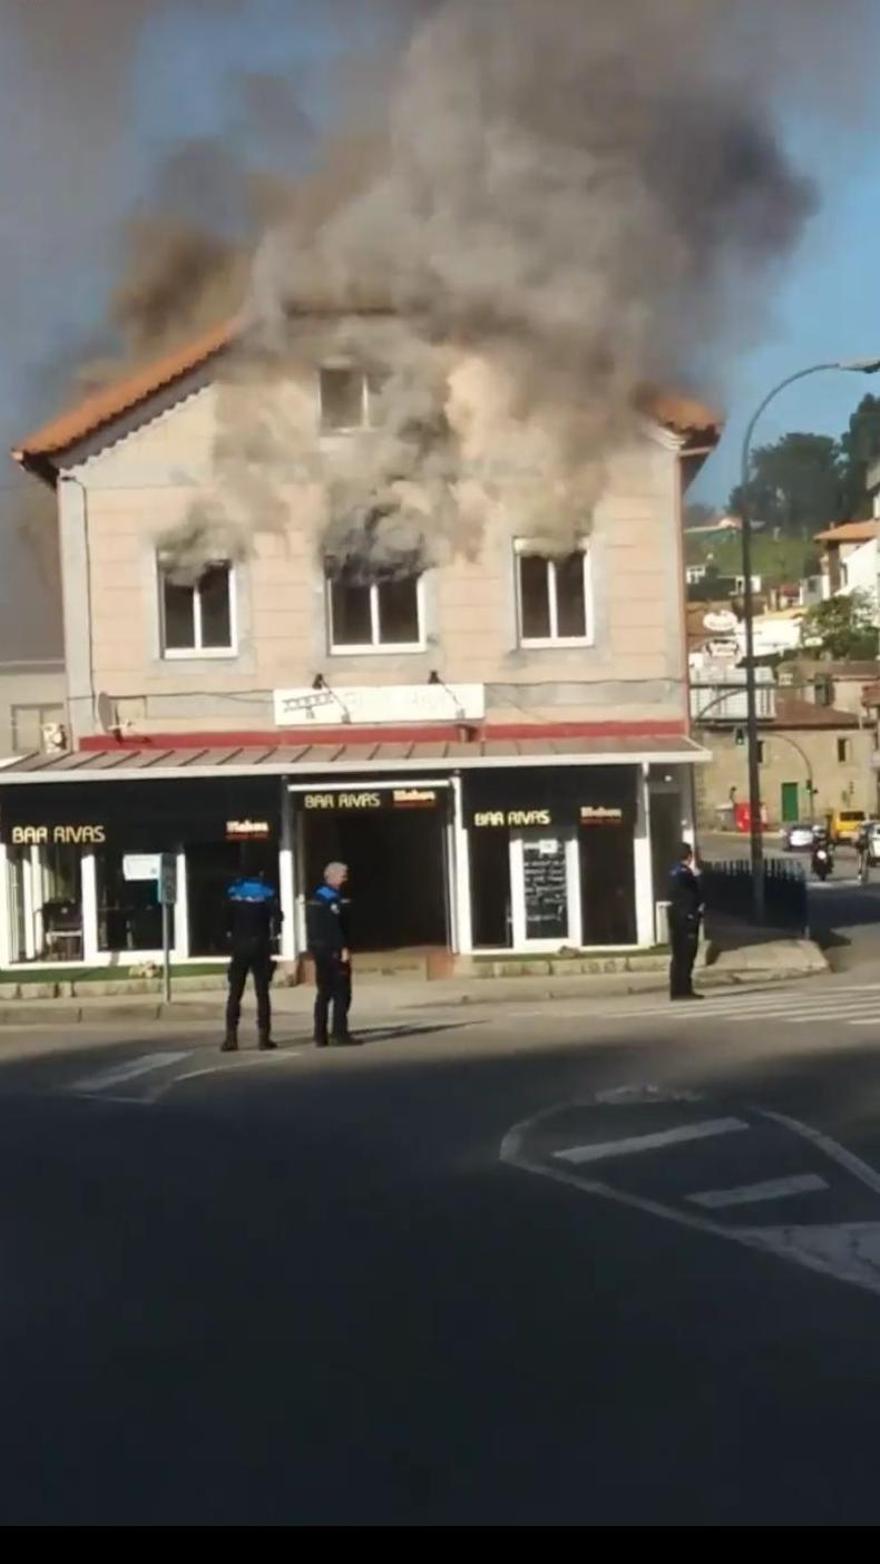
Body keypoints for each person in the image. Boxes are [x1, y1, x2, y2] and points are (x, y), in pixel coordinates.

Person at [222, 868, 283, 1052]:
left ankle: (231, 1038)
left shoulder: (234, 891)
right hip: (260, 945)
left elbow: (224, 919)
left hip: (239, 946)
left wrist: (228, 937)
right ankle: (264, 1038)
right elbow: (278, 917)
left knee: (235, 993)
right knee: (262, 993)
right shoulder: (267, 891)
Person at [306, 861, 360, 1047]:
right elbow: (334, 927)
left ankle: (319, 1035)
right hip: (332, 951)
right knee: (341, 992)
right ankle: (339, 1033)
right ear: (332, 876)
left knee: (324, 993)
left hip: (320, 950)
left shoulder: (316, 898)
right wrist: (342, 948)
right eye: (343, 874)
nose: (346, 878)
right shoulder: (331, 899)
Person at [668, 842, 704, 1002]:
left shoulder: (673, 871)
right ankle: (684, 989)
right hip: (687, 919)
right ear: (689, 856)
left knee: (678, 956)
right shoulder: (685, 874)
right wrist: (698, 876)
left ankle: (676, 989)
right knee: (686, 955)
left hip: (676, 918)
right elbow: (693, 895)